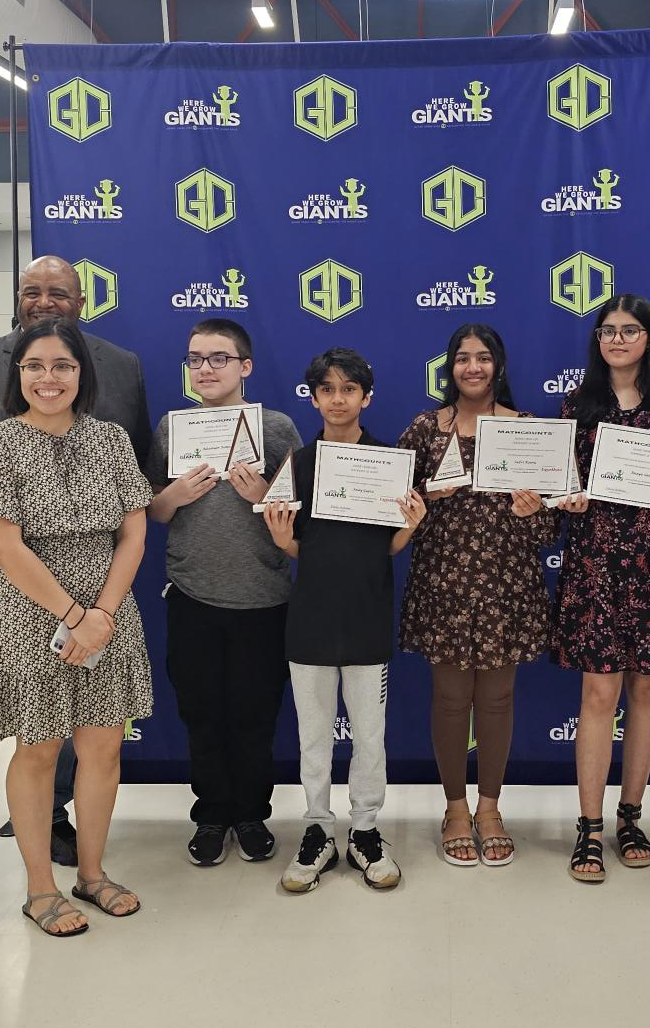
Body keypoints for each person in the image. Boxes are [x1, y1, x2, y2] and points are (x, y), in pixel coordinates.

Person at [0, 255, 151, 909]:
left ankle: (85, 865)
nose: (50, 377)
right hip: (16, 602)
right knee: (10, 732)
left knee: (100, 745)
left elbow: (134, 522)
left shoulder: (112, 413)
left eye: (63, 366)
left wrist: (101, 613)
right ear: (18, 371)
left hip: (107, 608)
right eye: (36, 366)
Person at [263, 348, 426, 892]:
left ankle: (365, 828)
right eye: (327, 389)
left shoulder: (389, 461)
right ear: (313, 397)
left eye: (348, 389)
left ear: (366, 397)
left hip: (366, 616)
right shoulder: (299, 463)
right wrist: (284, 540)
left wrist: (410, 527)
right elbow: (297, 548)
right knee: (313, 736)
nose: (338, 399)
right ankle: (315, 827)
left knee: (369, 736)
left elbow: (387, 548)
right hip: (309, 617)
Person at [548, 295, 650, 883]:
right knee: (597, 695)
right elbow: (561, 485)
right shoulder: (576, 406)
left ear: (649, 337)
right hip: (596, 565)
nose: (617, 339)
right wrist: (570, 497)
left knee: (648, 691)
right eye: (607, 330)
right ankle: (588, 827)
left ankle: (630, 816)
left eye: (629, 330)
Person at [399, 324, 559, 868]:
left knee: (496, 700)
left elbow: (550, 531)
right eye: (463, 358)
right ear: (450, 367)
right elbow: (388, 510)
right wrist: (423, 496)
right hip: (443, 584)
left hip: (506, 586)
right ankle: (455, 808)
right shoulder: (425, 429)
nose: (473, 367)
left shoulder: (528, 430)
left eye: (483, 358)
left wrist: (532, 512)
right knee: (449, 699)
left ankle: (490, 808)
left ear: (499, 366)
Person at [147, 318, 302, 866]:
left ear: (245, 366)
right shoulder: (171, 428)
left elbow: (295, 519)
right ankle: (211, 814)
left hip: (263, 599)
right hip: (192, 594)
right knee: (202, 713)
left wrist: (263, 495)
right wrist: (176, 495)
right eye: (195, 359)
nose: (205, 368)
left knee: (256, 713)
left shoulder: (278, 428)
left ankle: (252, 814)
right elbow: (152, 513)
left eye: (218, 358)